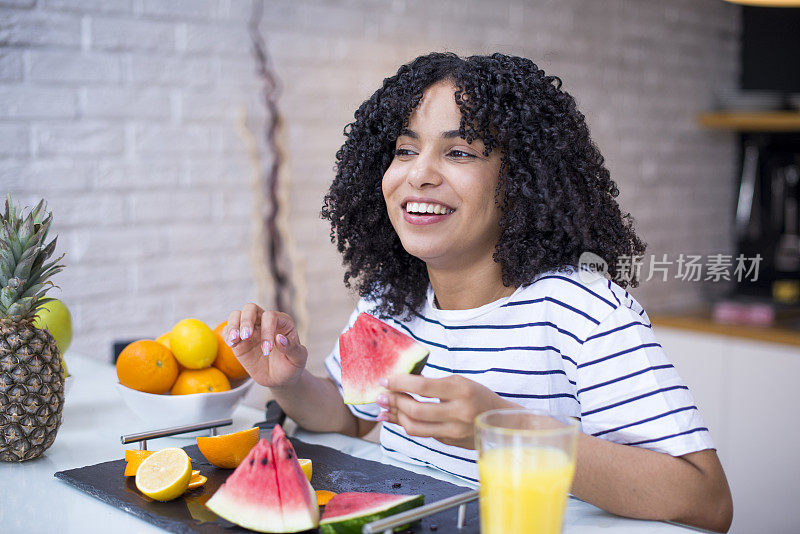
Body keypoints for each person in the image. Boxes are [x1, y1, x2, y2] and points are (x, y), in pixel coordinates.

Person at [223, 52, 733, 532]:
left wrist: (503, 428)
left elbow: (706, 500)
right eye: (405, 149)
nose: (419, 174)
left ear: (520, 181)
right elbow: (351, 419)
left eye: (459, 151)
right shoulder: (389, 299)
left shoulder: (582, 312)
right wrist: (288, 381)